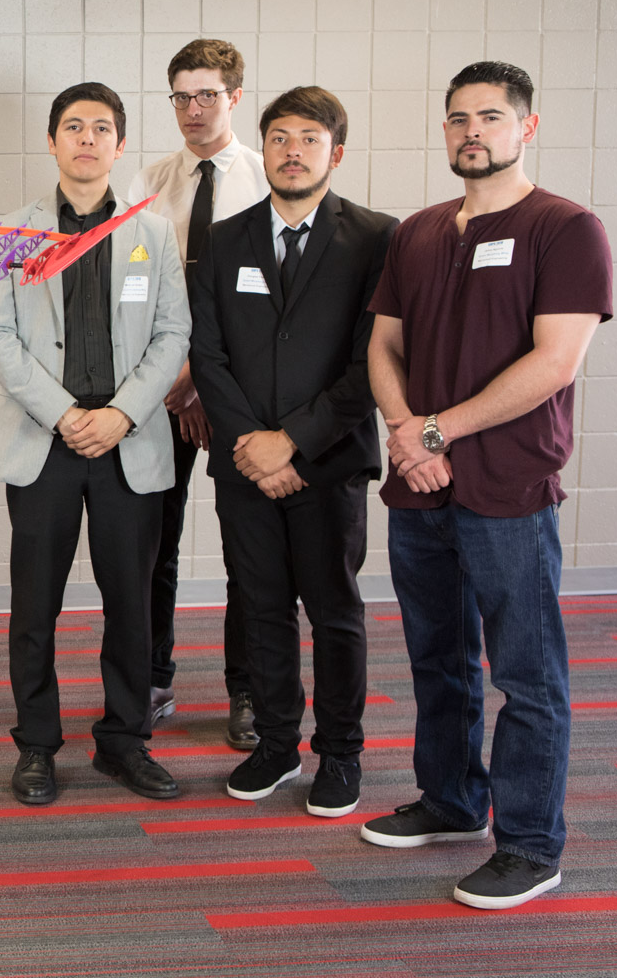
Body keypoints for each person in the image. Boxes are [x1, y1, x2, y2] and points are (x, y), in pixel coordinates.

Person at [361, 62, 611, 910]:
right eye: (459, 118)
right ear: (445, 130)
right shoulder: (419, 232)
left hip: (507, 489)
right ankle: (452, 799)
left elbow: (556, 361)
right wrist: (408, 435)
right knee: (437, 658)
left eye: (492, 117)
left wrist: (436, 431)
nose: (474, 131)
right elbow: (383, 347)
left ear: (526, 127)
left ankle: (532, 846)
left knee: (527, 675)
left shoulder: (565, 228)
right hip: (419, 489)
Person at [0, 82, 190, 804]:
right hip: (46, 441)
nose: (88, 139)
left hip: (128, 442)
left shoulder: (153, 231)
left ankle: (125, 741)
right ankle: (36, 744)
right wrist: (64, 413)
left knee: (131, 603)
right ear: (52, 141)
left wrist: (122, 414)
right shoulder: (12, 233)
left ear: (120, 145)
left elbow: (173, 333)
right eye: (74, 127)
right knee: (35, 606)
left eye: (102, 128)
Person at [188, 86, 397, 817]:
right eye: (279, 137)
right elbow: (208, 355)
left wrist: (293, 445)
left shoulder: (376, 238)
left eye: (309, 138)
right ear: (264, 147)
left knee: (334, 611)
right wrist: (253, 444)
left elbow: (372, 361)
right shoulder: (223, 239)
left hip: (328, 464)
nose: (292, 151)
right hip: (244, 465)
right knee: (262, 608)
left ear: (336, 153)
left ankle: (340, 753)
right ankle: (277, 744)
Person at [127, 39, 269, 751]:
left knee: (251, 552)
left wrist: (210, 382)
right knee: (155, 543)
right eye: (181, 96)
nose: (192, 109)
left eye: (207, 94)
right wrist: (176, 381)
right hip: (166, 390)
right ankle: (152, 679)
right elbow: (135, 292)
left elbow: (273, 304)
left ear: (235, 97)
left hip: (241, 395)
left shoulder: (268, 176)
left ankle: (248, 690)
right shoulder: (150, 181)